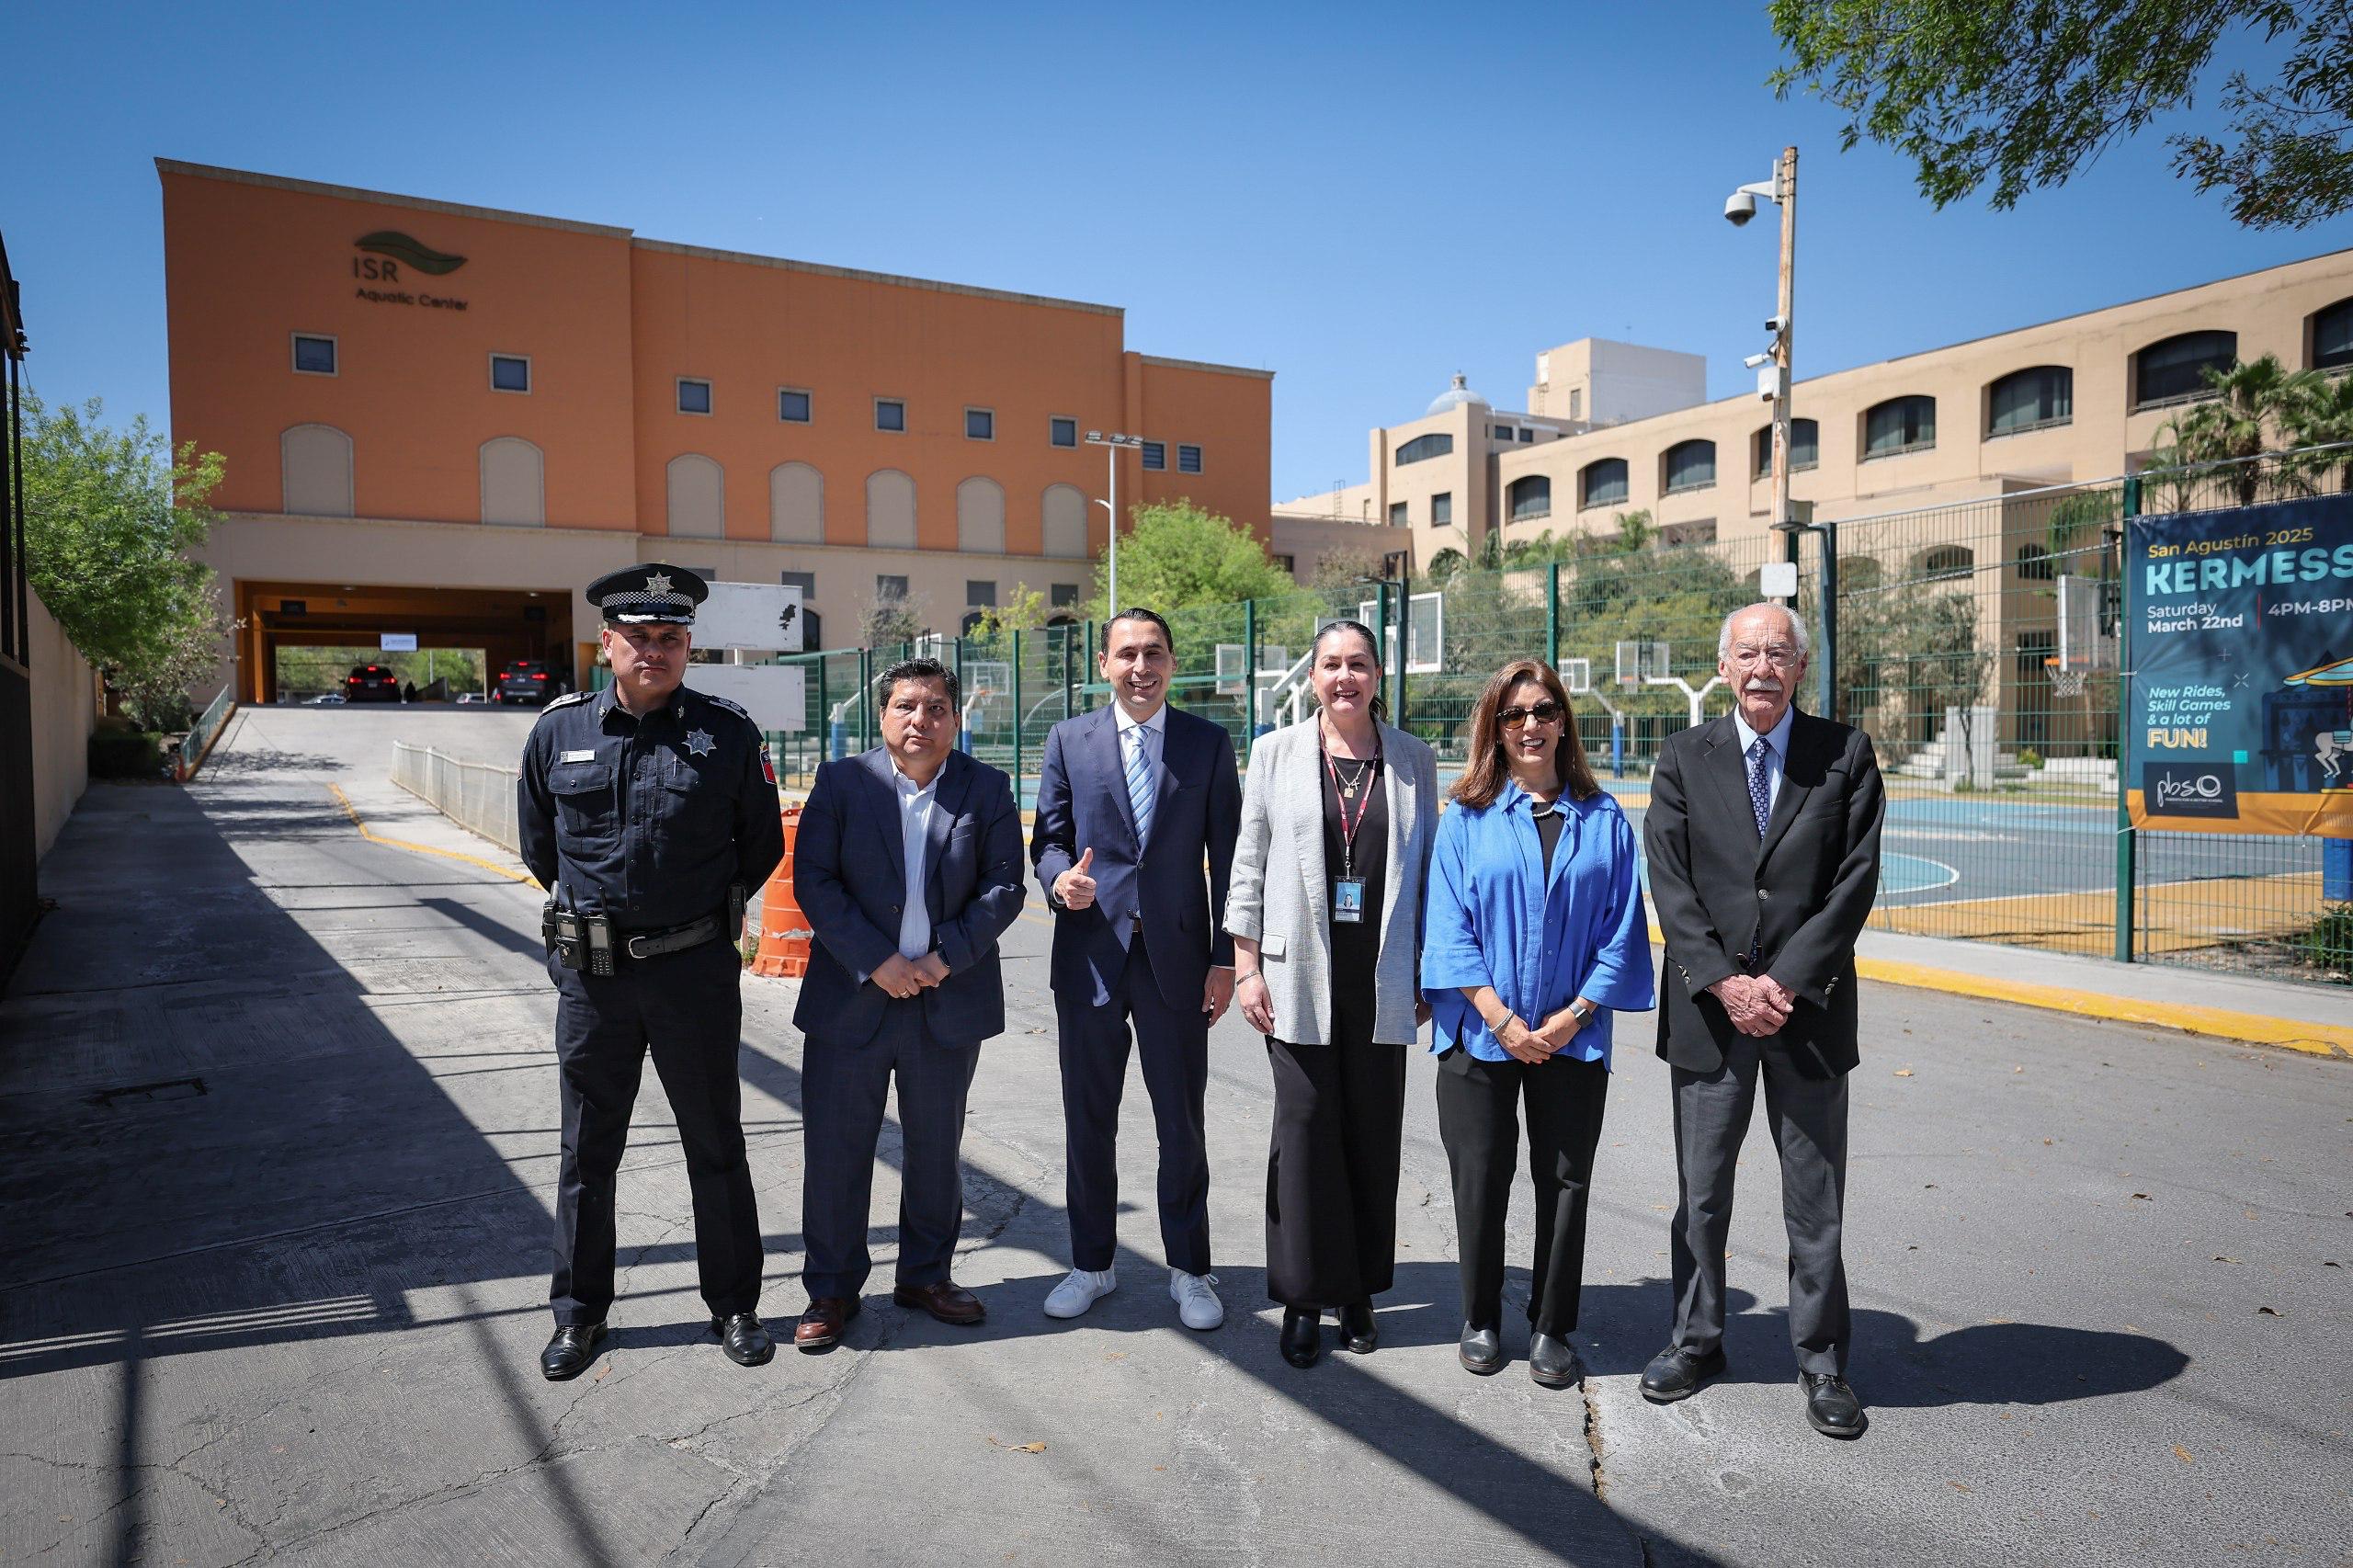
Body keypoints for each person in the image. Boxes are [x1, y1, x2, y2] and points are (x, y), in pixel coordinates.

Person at [516, 563, 785, 1381]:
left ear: (687, 646)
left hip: (693, 977)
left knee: (716, 1143)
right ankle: (579, 1315)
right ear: (608, 645)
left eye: (670, 639)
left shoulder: (726, 733)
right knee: (587, 1154)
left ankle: (733, 1306)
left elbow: (762, 843)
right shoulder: (557, 733)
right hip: (593, 983)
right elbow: (538, 847)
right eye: (639, 639)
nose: (655, 652)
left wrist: (714, 913)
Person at [1640, 602, 1885, 1440]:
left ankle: (1822, 1363)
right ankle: (1696, 1339)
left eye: (1777, 653)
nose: (1762, 669)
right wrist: (1724, 984)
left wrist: (1782, 981)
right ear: (1723, 664)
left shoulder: (1844, 755)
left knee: (1815, 1203)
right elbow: (1670, 882)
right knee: (1701, 1197)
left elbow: (1852, 883)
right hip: (1711, 1018)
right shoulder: (1682, 757)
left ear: (1800, 667)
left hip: (1808, 1013)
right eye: (1747, 653)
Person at [1421, 659, 1653, 1389]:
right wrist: (1500, 1017)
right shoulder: (1464, 817)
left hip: (1572, 1037)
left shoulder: (1605, 818)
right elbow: (1447, 926)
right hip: (1478, 1033)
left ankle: (1552, 1326)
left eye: (1544, 710)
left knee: (1564, 1182)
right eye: (1515, 713)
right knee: (1479, 1180)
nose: (1530, 725)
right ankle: (1481, 1316)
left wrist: (1572, 1016)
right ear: (1495, 725)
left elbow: (1624, 930)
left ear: (1564, 721)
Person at [790, 658, 1028, 1352]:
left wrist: (942, 958)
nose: (919, 720)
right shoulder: (841, 783)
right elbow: (816, 881)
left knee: (934, 1149)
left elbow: (1003, 888)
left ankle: (925, 1276)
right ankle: (831, 1289)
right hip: (851, 999)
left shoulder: (986, 788)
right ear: (884, 716)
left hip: (945, 1000)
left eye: (934, 708)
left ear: (955, 719)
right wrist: (879, 961)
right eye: (904, 707)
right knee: (836, 1151)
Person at [1224, 620, 1438, 1369]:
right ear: (1311, 677)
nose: (1344, 677)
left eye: (1358, 665)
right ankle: (1304, 1297)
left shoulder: (1413, 759)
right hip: (1294, 977)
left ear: (1379, 674)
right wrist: (1246, 967)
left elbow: (1432, 872)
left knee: (1372, 1135)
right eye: (1330, 666)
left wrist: (1426, 975)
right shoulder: (1274, 753)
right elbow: (1247, 867)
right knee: (1307, 1133)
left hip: (1383, 976)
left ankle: (1358, 1291)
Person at [1031, 608, 1242, 1331]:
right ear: (1103, 665)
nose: (1140, 667)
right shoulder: (1069, 740)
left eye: (1154, 653)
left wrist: (1225, 960)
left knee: (1180, 1121)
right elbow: (1048, 844)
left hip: (1178, 963)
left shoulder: (1207, 745)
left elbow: (1234, 863)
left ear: (1173, 663)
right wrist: (1061, 884)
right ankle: (1092, 1263)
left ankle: (1191, 1268)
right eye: (1127, 654)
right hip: (1090, 955)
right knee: (1088, 1118)